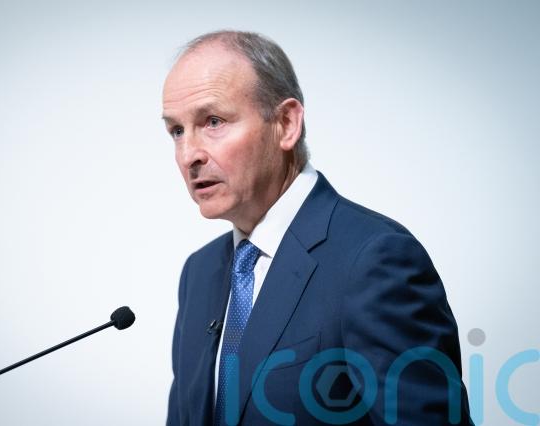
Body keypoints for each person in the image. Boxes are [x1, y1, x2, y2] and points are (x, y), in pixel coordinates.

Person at [162, 30, 473, 425]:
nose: (189, 154)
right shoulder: (200, 272)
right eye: (176, 130)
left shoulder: (375, 260)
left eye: (213, 121)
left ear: (286, 124)